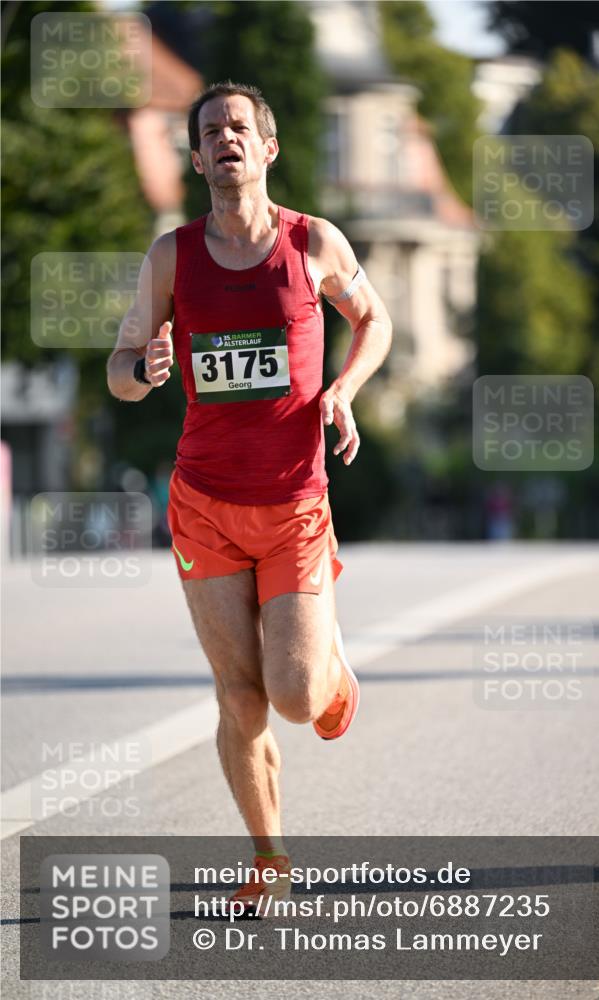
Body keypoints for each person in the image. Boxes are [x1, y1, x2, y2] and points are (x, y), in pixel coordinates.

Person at [107, 81, 392, 911]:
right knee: (238, 694)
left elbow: (373, 320)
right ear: (198, 160)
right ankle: (269, 858)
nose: (224, 138)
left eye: (238, 127)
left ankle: (331, 673)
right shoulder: (172, 257)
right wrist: (143, 367)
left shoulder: (312, 242)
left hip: (295, 500)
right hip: (203, 503)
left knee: (295, 697)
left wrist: (342, 390)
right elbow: (120, 367)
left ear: (267, 148)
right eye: (210, 132)